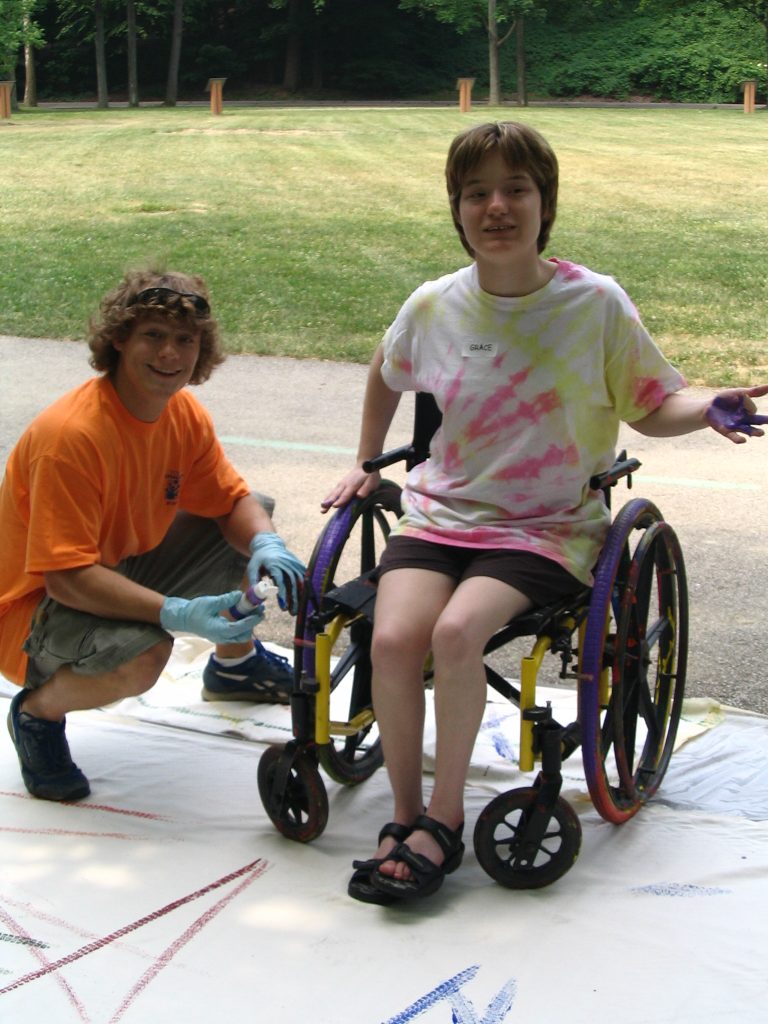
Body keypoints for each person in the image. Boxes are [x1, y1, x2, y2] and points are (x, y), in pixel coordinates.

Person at [321, 120, 768, 905]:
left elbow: (651, 402)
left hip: (544, 525)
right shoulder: (434, 305)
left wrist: (706, 408)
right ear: (457, 210)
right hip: (441, 515)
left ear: (544, 203)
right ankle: (403, 814)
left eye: (515, 189)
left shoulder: (593, 304)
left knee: (456, 633)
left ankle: (444, 820)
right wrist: (365, 461)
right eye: (477, 193)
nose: (496, 207)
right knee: (390, 640)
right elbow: (386, 370)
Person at [0, 269, 305, 803]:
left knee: (252, 515)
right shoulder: (70, 437)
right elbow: (67, 579)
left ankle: (235, 665)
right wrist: (175, 613)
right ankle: (38, 714)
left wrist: (267, 544)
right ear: (119, 339)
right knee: (144, 655)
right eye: (154, 335)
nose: (170, 353)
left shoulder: (181, 413)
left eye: (185, 339)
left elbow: (232, 501)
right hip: (33, 611)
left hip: (108, 569)